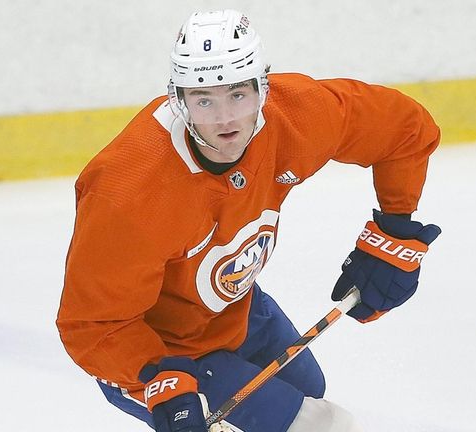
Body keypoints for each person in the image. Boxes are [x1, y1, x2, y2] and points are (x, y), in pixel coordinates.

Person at [57, 9, 441, 432]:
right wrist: (155, 377)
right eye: (204, 100)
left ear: (263, 86)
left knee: (309, 389)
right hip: (156, 347)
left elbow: (405, 130)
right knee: (317, 424)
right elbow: (92, 325)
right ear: (177, 98)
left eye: (238, 94)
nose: (224, 119)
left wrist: (395, 229)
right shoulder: (127, 191)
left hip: (233, 308)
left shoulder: (297, 114)